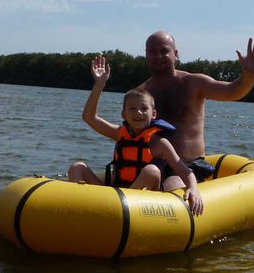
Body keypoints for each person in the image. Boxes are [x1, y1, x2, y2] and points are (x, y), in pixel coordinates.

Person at [68, 55, 204, 215]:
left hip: (142, 202)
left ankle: (119, 210)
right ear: (124, 114)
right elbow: (89, 117)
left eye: (143, 109)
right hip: (114, 194)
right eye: (132, 108)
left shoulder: (160, 143)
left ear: (153, 114)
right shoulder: (120, 133)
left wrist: (194, 189)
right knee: (77, 168)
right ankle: (77, 211)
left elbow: (184, 170)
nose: (138, 112)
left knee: (152, 170)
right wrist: (99, 84)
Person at [139, 32, 254, 190]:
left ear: (176, 54)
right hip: (152, 166)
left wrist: (249, 75)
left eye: (164, 51)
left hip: (188, 167)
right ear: (146, 55)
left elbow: (232, 91)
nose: (158, 56)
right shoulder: (141, 93)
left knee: (171, 186)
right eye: (152, 52)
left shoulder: (193, 83)